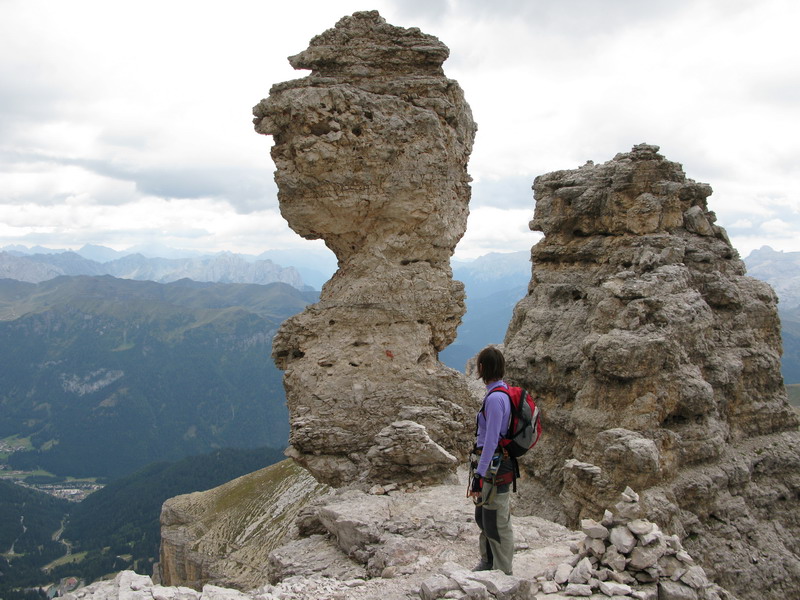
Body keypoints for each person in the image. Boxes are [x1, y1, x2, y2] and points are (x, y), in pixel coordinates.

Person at [468, 346, 515, 575]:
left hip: (495, 467)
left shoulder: (496, 398)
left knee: (497, 521)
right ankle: (488, 563)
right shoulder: (499, 392)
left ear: (482, 368)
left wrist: (479, 475)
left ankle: (503, 573)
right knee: (484, 516)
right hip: (492, 465)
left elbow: (491, 441)